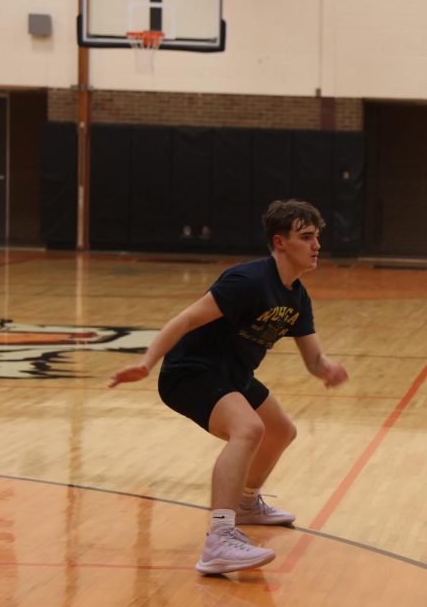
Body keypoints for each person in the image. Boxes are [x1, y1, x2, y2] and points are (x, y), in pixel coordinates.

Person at [109, 199, 348, 573]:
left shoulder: (297, 297)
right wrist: (146, 361)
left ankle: (247, 503)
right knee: (249, 428)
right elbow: (185, 319)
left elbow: (313, 359)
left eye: (317, 236)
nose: (316, 245)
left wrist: (327, 368)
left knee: (281, 430)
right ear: (280, 242)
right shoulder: (248, 281)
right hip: (191, 372)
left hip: (233, 375)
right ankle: (219, 539)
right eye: (306, 236)